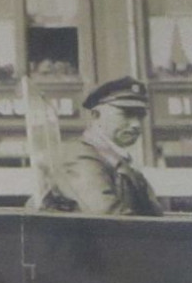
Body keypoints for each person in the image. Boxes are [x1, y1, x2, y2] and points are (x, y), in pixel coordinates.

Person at [40, 77, 165, 216]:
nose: (136, 124)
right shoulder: (78, 156)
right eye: (126, 114)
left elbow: (155, 214)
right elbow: (108, 217)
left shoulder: (117, 160)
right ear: (95, 115)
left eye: (140, 116)